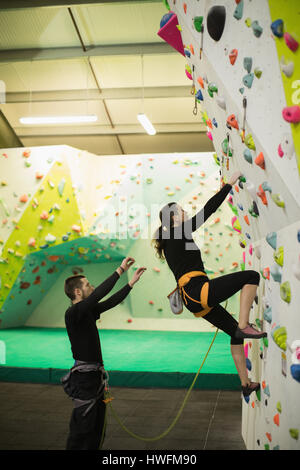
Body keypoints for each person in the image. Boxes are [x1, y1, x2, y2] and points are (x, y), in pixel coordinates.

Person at [152, 172, 266, 398]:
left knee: (234, 334)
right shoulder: (177, 232)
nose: (185, 213)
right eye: (181, 211)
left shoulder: (171, 239)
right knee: (251, 275)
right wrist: (228, 185)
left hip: (194, 297)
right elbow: (207, 211)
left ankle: (245, 384)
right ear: (173, 219)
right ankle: (244, 324)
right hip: (196, 292)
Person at [63, 257, 146, 450]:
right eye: (87, 285)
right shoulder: (73, 313)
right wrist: (120, 270)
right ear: (77, 291)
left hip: (94, 377)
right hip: (84, 380)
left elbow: (111, 301)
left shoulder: (87, 311)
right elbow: (98, 295)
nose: (91, 287)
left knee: (97, 428)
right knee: (82, 428)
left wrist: (131, 283)